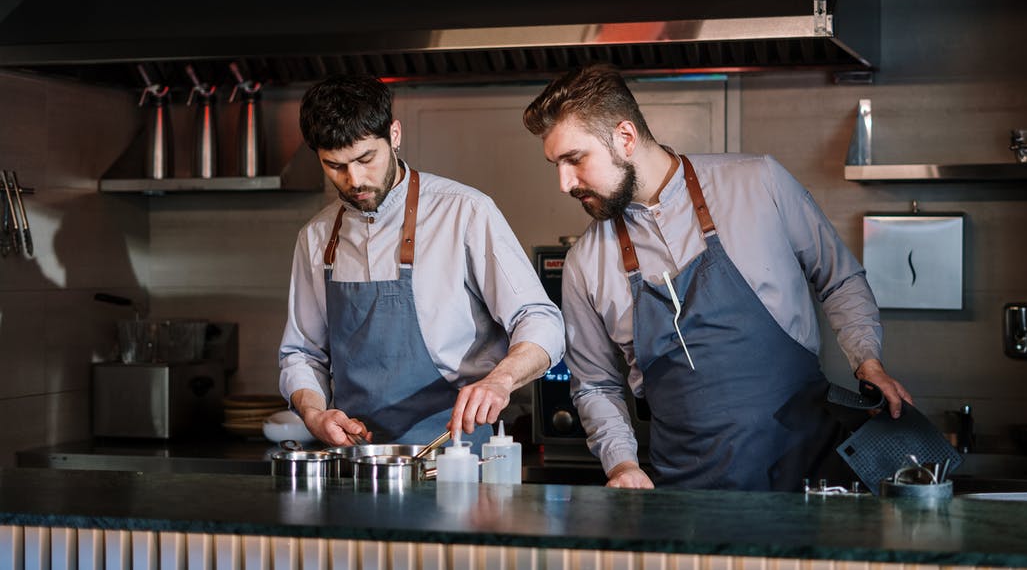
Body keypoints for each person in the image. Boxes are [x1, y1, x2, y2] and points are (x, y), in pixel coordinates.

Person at [522, 64, 912, 491]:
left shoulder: (759, 182)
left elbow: (840, 278)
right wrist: (622, 465)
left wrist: (867, 359)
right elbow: (595, 385)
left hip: (811, 481)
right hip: (689, 496)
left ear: (625, 138)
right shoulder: (585, 262)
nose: (563, 183)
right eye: (554, 165)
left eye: (574, 160)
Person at [279, 74, 564, 448]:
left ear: (394, 135)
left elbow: (541, 320)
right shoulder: (316, 238)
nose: (355, 179)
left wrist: (501, 379)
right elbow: (302, 352)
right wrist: (314, 413)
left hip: (457, 455)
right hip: (361, 463)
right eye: (335, 165)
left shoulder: (465, 212)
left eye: (366, 158)